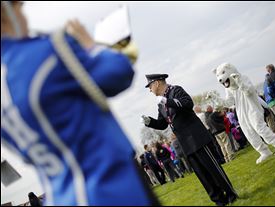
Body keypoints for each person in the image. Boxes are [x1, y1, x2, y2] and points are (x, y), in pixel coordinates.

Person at [1, 2, 158, 205]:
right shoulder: (47, 51)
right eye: (19, 10)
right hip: (111, 188)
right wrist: (89, 44)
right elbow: (118, 74)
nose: (24, 18)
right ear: (5, 13)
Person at [141, 74, 238, 206]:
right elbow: (163, 124)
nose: (150, 90)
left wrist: (166, 101)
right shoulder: (160, 103)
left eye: (150, 86)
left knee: (212, 169)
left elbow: (187, 103)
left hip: (197, 137)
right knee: (202, 175)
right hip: (185, 142)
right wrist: (149, 122)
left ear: (157, 83)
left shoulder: (176, 90)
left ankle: (230, 193)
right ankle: (219, 200)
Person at [213, 63, 275, 164]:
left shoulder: (243, 78)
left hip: (252, 108)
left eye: (223, 73)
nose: (221, 78)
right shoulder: (228, 88)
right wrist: (217, 99)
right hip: (241, 112)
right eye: (218, 75)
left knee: (260, 128)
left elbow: (249, 91)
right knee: (249, 133)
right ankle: (264, 152)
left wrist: (239, 81)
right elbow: (229, 102)